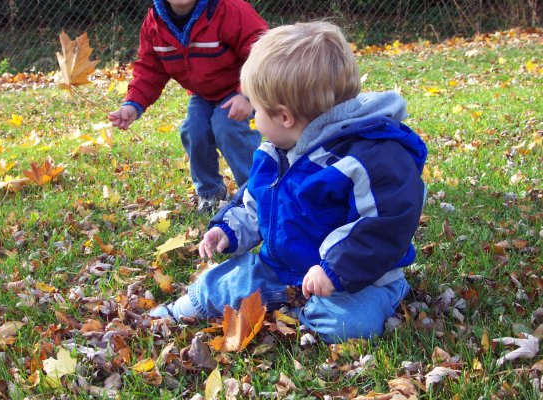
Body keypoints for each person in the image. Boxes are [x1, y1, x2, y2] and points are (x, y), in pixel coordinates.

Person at [150, 21, 428, 343]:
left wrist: (335, 270)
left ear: (284, 117)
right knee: (226, 282)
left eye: (257, 110)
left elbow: (385, 225)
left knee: (349, 324)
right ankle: (191, 307)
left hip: (357, 279)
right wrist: (226, 229)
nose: (254, 120)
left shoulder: (370, 156)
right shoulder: (276, 150)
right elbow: (253, 200)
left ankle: (333, 307)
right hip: (282, 267)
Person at [109, 0, 268, 212]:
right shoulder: (155, 22)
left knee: (227, 126)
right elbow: (150, 69)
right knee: (193, 130)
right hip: (204, 94)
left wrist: (246, 94)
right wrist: (133, 104)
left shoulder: (228, 9)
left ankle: (257, 193)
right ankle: (210, 193)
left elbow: (262, 52)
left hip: (241, 88)